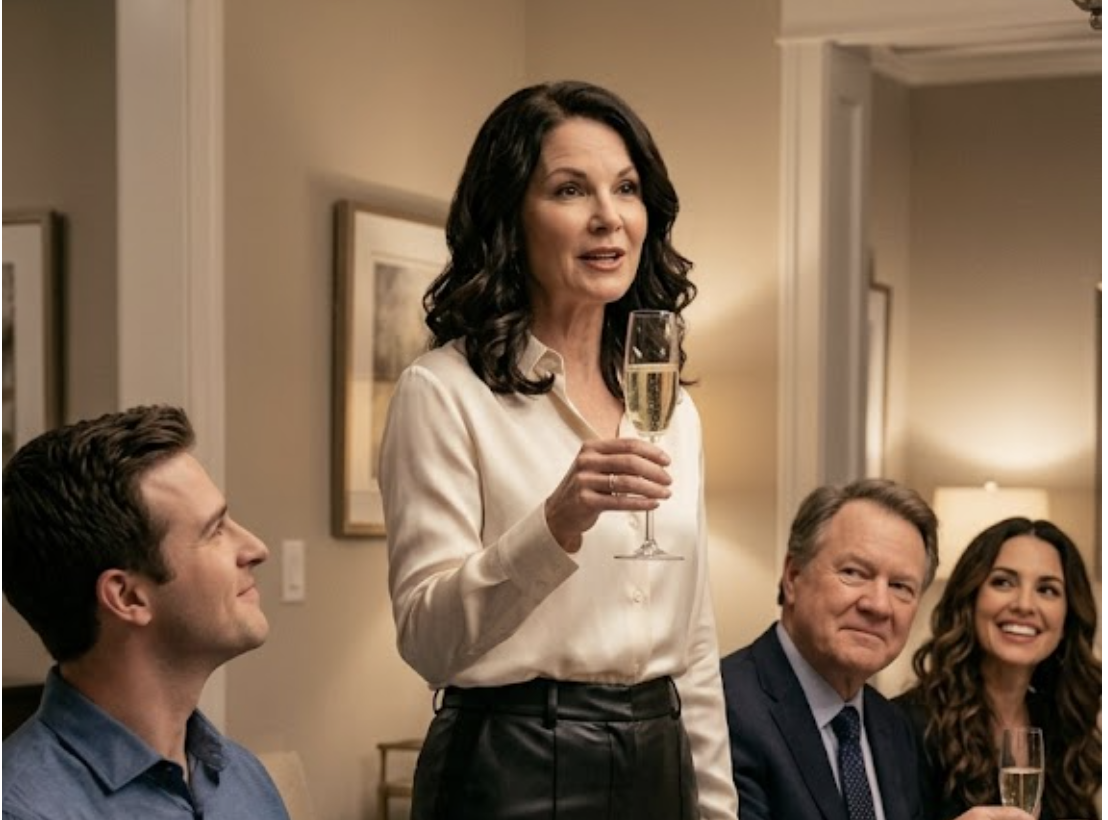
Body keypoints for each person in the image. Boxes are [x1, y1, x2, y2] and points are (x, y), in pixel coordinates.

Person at [378, 80, 736, 819]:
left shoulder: (670, 407)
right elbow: (427, 641)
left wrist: (717, 808)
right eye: (571, 190)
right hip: (509, 763)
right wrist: (555, 524)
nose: (609, 217)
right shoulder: (443, 392)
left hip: (658, 755)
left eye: (626, 188)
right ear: (510, 217)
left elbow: (695, 639)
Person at [2, 405, 290, 819]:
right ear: (127, 597)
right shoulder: (24, 809)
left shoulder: (245, 780)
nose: (256, 548)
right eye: (214, 531)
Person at [720, 479, 1035, 820]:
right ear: (793, 576)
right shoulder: (723, 707)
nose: (879, 605)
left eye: (901, 586)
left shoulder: (894, 726)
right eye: (854, 573)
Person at [894, 517, 1102, 820]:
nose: (1024, 605)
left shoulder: (1066, 725)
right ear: (971, 599)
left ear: (1067, 618)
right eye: (1003, 582)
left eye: (1047, 590)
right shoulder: (905, 725)